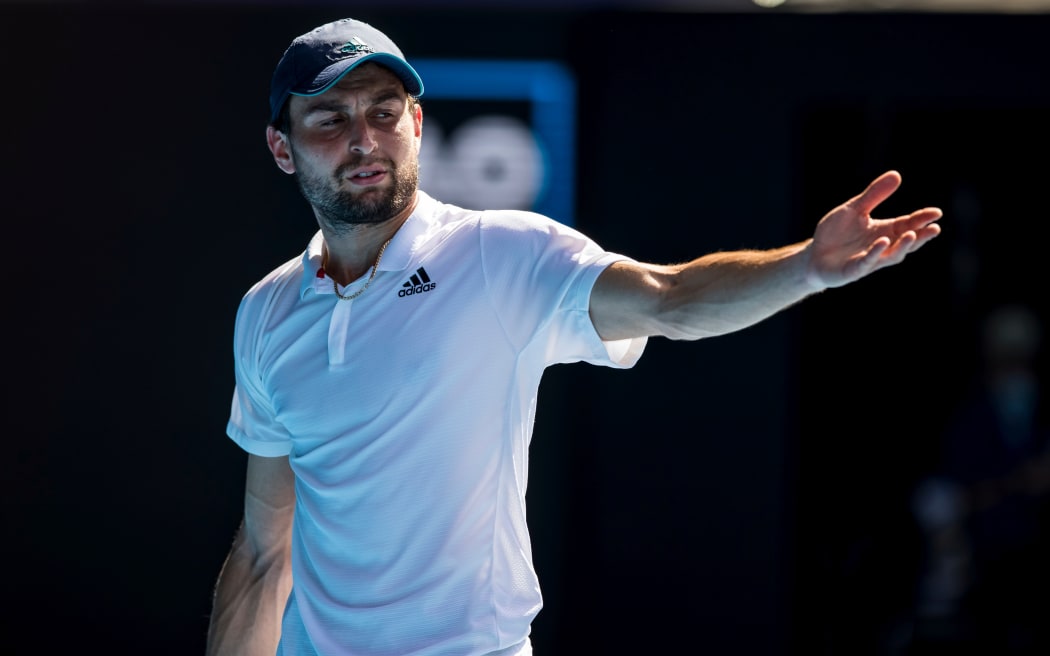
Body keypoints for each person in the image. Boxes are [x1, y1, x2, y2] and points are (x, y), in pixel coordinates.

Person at [205, 16, 943, 656]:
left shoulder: (500, 254)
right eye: (330, 119)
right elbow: (266, 552)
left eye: (385, 112)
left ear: (418, 126)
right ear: (282, 147)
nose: (364, 139)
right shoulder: (266, 312)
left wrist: (807, 267)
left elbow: (670, 298)